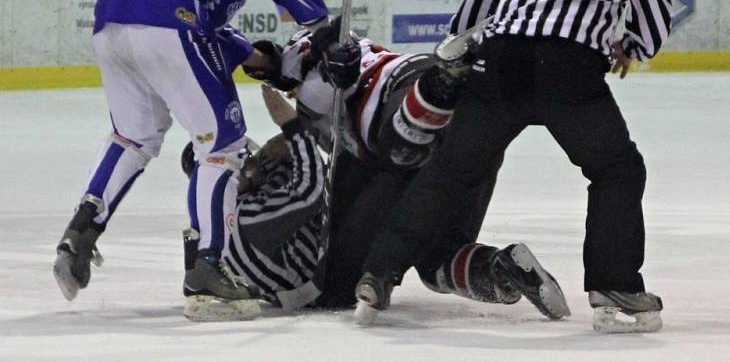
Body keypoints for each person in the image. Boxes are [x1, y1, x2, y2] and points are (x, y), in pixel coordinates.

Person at [354, 0, 673, 333]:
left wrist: (464, 49)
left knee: (450, 174)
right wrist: (629, 45)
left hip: (500, 62)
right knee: (617, 169)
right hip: (568, 70)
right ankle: (614, 283)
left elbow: (475, 6)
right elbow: (653, 25)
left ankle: (378, 272)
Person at [53, 0, 329, 320]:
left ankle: (80, 233)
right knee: (222, 145)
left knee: (132, 136)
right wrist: (321, 25)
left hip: (113, 19)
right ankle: (208, 269)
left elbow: (212, 25)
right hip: (169, 18)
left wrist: (257, 57)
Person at [178, 28, 569, 320]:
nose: (254, 158)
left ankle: (442, 86)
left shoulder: (309, 64)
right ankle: (503, 269)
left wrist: (333, 55)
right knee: (434, 259)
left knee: (401, 150)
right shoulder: (317, 147)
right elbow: (307, 187)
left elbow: (324, 42)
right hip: (460, 136)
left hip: (403, 92)